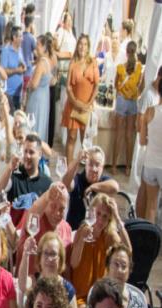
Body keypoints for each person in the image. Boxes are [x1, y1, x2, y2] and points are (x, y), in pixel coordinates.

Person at [69, 193, 132, 307]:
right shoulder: (83, 230)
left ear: (109, 220)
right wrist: (82, 239)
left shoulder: (109, 236)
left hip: (101, 296)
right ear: (91, 213)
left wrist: (118, 218)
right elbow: (74, 263)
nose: (100, 220)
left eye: (105, 216)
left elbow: (128, 251)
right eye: (98, 214)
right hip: (81, 296)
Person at [87, 244, 151, 308]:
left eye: (124, 266)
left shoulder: (137, 299)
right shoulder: (97, 295)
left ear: (129, 271)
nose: (119, 270)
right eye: (116, 264)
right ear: (108, 267)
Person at [62, 34, 99, 169]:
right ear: (77, 46)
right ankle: (69, 169)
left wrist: (88, 104)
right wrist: (76, 103)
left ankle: (87, 171)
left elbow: (96, 86)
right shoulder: (73, 63)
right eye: (80, 44)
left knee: (86, 140)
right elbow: (68, 87)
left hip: (87, 107)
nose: (82, 47)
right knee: (71, 138)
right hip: (73, 105)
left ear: (88, 47)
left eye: (85, 44)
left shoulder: (93, 62)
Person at [63, 146, 118, 230]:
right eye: (90, 164)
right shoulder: (78, 179)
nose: (94, 169)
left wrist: (93, 187)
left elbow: (115, 187)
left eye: (97, 165)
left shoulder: (104, 181)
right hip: (75, 230)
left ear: (102, 167)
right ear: (85, 165)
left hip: (97, 231)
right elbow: (65, 184)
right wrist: (77, 160)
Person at [136, 66, 162, 221]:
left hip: (150, 163)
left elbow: (142, 140)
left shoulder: (150, 111)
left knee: (151, 206)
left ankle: (148, 234)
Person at [112, 41, 142, 175]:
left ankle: (113, 166)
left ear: (126, 53)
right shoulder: (139, 68)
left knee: (118, 134)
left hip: (122, 100)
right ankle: (128, 167)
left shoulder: (120, 68)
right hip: (133, 101)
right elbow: (140, 85)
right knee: (129, 135)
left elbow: (115, 85)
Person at [25, 35, 53, 143]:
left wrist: (28, 84)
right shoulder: (47, 61)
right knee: (40, 123)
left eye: (38, 44)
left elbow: (34, 84)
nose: (36, 46)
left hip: (36, 99)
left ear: (44, 47)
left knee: (33, 123)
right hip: (44, 98)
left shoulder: (41, 63)